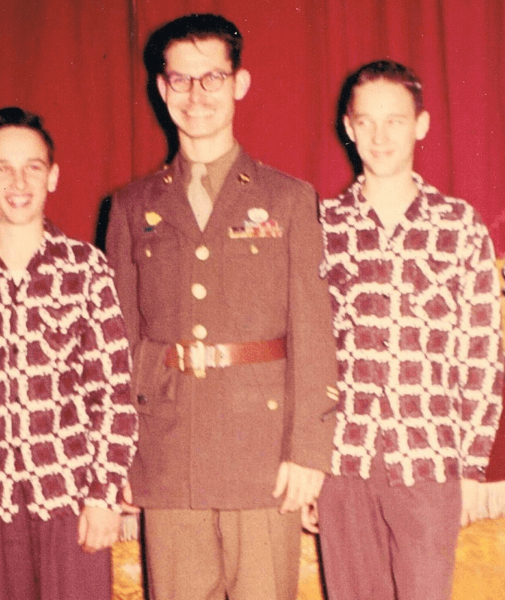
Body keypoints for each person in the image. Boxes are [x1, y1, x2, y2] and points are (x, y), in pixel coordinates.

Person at [105, 13, 338, 600]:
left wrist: (308, 451)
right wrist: (120, 460)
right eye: (180, 81)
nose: (196, 96)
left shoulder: (287, 199)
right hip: (168, 448)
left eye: (212, 78)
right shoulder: (132, 207)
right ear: (161, 90)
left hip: (262, 454)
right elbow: (117, 342)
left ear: (240, 84)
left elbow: (314, 332)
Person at [0, 107, 138, 600]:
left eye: (33, 167)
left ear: (52, 176)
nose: (19, 182)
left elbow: (114, 392)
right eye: (1, 168)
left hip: (70, 497)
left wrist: (104, 494)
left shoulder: (86, 269)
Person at [316, 61, 504, 600]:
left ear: (421, 125)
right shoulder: (321, 227)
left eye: (395, 121)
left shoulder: (459, 226)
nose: (380, 136)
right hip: (343, 462)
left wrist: (471, 465)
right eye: (367, 122)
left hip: (429, 462)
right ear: (348, 128)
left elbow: (481, 355)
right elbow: (308, 354)